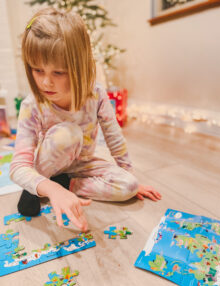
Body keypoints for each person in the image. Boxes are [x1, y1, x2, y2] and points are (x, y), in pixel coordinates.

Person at [10, 7, 161, 232]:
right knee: (67, 134)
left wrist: (130, 178)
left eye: (58, 73)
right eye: (38, 70)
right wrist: (50, 188)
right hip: (48, 165)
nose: (46, 83)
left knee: (129, 185)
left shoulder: (96, 95)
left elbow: (114, 138)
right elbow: (18, 167)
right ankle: (43, 184)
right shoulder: (32, 105)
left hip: (82, 165)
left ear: (79, 66)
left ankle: (65, 183)